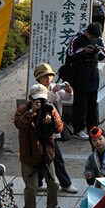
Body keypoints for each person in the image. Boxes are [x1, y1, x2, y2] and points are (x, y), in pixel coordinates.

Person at [13, 85, 66, 208]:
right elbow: (19, 124)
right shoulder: (23, 110)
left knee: (53, 183)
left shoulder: (50, 108)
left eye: (42, 99)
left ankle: (52, 206)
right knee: (31, 187)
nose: (40, 102)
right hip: (29, 156)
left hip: (46, 154)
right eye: (37, 100)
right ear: (30, 99)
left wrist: (52, 119)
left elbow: (60, 127)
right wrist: (32, 112)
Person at [32, 62, 77, 193]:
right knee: (56, 157)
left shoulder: (53, 87)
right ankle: (65, 183)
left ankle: (39, 182)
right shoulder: (36, 90)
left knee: (45, 157)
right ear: (38, 78)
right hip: (43, 129)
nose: (48, 79)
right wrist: (52, 92)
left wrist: (69, 90)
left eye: (50, 76)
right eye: (45, 76)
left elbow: (67, 97)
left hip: (54, 127)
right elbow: (44, 103)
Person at [68, 23, 105, 138]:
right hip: (80, 73)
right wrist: (83, 51)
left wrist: (97, 50)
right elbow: (70, 54)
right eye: (92, 37)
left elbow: (103, 55)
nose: (94, 39)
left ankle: (93, 128)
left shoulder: (98, 40)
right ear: (87, 32)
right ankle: (78, 129)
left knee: (92, 104)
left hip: (93, 73)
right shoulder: (76, 39)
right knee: (80, 103)